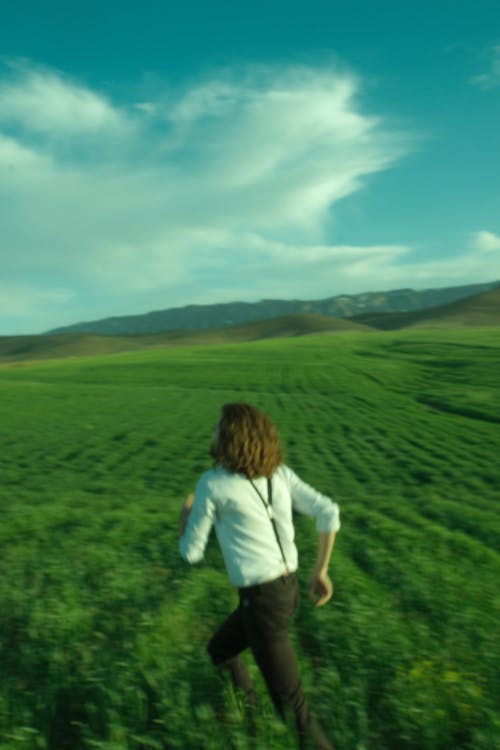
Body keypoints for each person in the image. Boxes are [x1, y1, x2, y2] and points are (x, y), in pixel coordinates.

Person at [179, 403, 340, 750]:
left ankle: (275, 729)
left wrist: (185, 518)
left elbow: (191, 553)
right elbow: (328, 511)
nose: (213, 433)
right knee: (220, 649)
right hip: (287, 590)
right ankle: (251, 718)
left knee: (293, 706)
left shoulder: (213, 485)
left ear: (230, 438)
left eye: (218, 428)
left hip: (262, 602)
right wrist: (320, 569)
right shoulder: (278, 474)